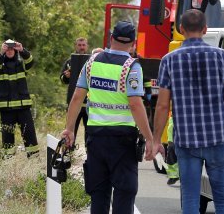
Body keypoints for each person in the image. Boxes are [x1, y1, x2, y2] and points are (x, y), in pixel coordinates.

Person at [153, 9, 224, 214]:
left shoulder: (169, 60)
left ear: (181, 29)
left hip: (187, 141)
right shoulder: (221, 57)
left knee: (189, 199)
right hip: (218, 139)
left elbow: (162, 106)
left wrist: (156, 140)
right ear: (205, 29)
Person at [61, 21, 155, 214]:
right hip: (123, 140)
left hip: (95, 138)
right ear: (133, 43)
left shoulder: (91, 62)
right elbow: (136, 105)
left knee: (99, 194)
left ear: (111, 38)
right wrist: (149, 137)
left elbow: (77, 97)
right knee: (124, 193)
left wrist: (69, 129)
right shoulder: (132, 67)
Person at [0, 39, 39, 157]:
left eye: (12, 48)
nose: (10, 50)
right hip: (6, 109)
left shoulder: (21, 63)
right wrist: (1, 52)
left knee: (29, 134)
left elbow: (30, 62)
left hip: (23, 108)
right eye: (7, 48)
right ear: (4, 49)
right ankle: (9, 161)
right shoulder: (0, 65)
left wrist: (22, 49)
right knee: (7, 137)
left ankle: (33, 160)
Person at [60, 36, 89, 141]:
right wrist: (66, 76)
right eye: (79, 45)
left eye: (83, 45)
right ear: (75, 46)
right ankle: (68, 153)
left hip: (89, 103)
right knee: (70, 129)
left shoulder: (91, 61)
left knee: (89, 131)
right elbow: (62, 80)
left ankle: (89, 154)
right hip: (73, 103)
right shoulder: (70, 61)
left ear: (87, 46)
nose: (81, 47)